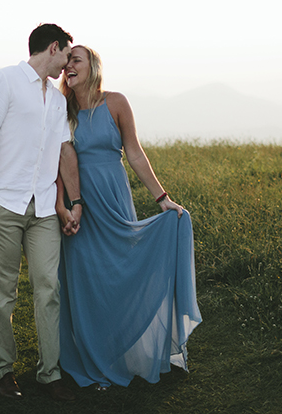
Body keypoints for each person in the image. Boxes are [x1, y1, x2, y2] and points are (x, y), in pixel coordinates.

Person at [56, 45, 202, 389]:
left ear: (93, 66)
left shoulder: (116, 102)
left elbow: (134, 153)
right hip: (79, 203)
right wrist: (63, 206)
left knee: (119, 273)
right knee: (86, 281)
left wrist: (162, 198)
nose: (68, 67)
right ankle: (93, 356)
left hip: (113, 196)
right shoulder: (61, 109)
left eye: (76, 60)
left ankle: (125, 352)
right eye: (66, 63)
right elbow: (57, 159)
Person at [0, 23, 81, 402]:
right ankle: (3, 371)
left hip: (44, 210)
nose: (68, 64)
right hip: (4, 204)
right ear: (54, 48)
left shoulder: (56, 100)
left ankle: (49, 373)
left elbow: (64, 151)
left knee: (47, 289)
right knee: (2, 293)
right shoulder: (3, 81)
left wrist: (74, 203)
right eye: (67, 55)